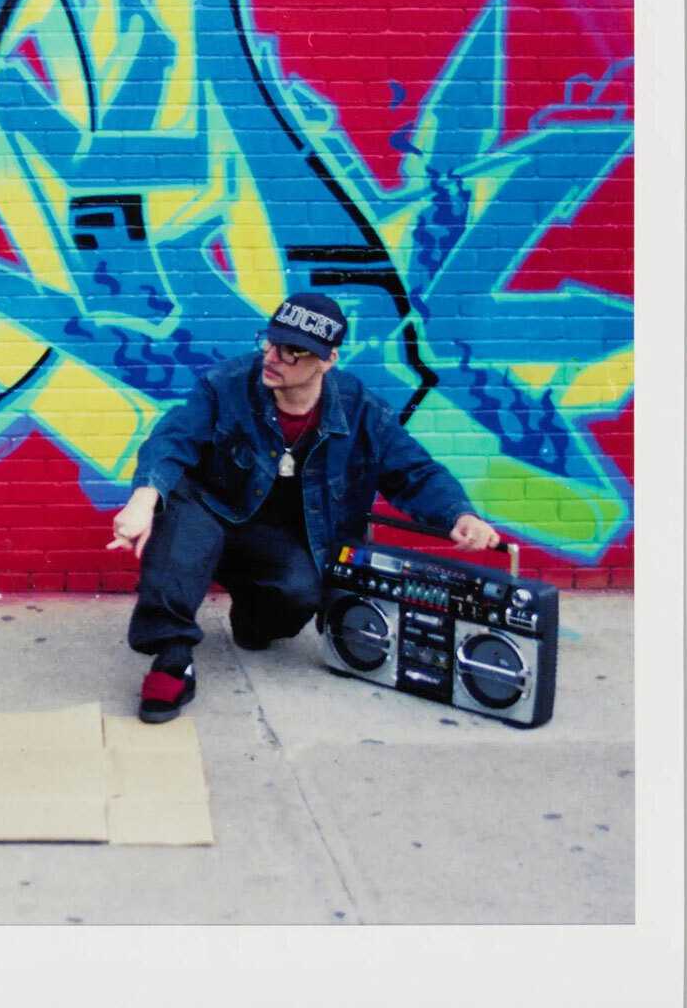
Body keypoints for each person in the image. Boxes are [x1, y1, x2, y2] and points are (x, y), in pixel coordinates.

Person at [107, 292, 499, 724]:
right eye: (271, 342)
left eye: (294, 352)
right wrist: (145, 498)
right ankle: (171, 657)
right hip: (211, 510)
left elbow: (414, 472)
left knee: (296, 596)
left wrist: (459, 515)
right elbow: (172, 438)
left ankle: (252, 614)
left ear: (327, 360)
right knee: (179, 527)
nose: (274, 357)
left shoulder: (360, 411)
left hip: (274, 538)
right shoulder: (227, 385)